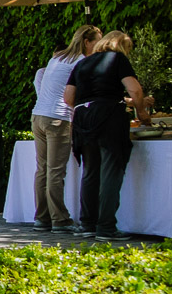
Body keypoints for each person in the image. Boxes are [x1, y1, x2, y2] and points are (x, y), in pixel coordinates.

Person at [65, 30, 152, 242]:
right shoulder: (117, 58)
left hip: (83, 117)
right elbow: (136, 91)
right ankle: (106, 227)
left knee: (90, 171)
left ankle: (87, 223)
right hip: (109, 117)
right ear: (122, 46)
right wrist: (142, 114)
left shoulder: (82, 64)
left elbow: (68, 97)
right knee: (111, 170)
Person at [32, 24, 99, 232]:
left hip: (38, 116)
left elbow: (43, 81)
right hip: (59, 119)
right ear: (87, 42)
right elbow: (86, 94)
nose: (100, 46)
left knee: (42, 170)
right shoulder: (82, 62)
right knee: (55, 171)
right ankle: (60, 220)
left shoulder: (58, 57)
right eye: (97, 41)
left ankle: (41, 218)